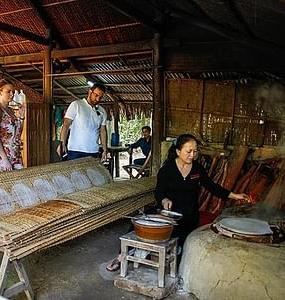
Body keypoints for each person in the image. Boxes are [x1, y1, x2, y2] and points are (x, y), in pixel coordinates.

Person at [106, 133, 249, 272]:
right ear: (178, 151)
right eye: (189, 151)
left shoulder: (197, 169)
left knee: (177, 238)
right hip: (167, 213)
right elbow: (159, 192)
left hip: (188, 215)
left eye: (195, 151)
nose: (192, 155)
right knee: (137, 226)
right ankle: (121, 256)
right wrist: (164, 199)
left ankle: (162, 255)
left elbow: (212, 187)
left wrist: (235, 196)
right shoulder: (167, 170)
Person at [57, 82, 108, 161]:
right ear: (90, 92)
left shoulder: (102, 111)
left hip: (94, 151)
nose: (98, 99)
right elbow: (66, 125)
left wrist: (104, 150)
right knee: (75, 173)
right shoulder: (76, 105)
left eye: (100, 97)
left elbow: (103, 131)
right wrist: (62, 143)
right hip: (76, 150)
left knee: (92, 174)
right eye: (96, 95)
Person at [0, 79, 24, 173]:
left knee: (18, 184)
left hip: (15, 152)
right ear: (0, 92)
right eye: (8, 91)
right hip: (4, 154)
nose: (12, 94)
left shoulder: (11, 110)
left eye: (13, 92)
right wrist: (4, 159)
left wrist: (22, 116)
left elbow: (17, 132)